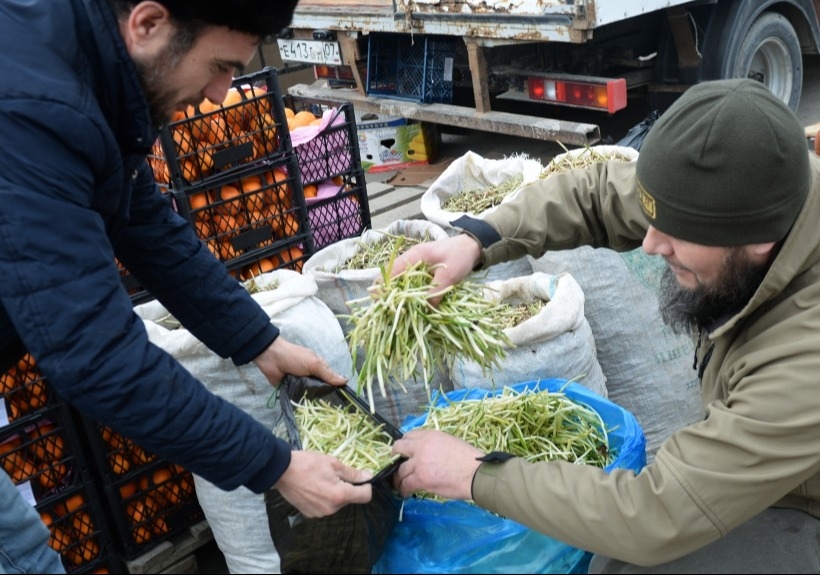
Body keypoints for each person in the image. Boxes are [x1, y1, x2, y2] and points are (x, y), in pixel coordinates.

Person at [389, 78, 820, 573]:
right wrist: (476, 241)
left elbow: (656, 515)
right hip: (783, 458)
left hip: (804, 502)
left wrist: (471, 474)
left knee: (635, 558)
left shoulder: (806, 358)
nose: (653, 244)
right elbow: (597, 191)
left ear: (759, 240)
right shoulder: (763, 187)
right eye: (656, 220)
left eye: (677, 234)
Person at [0, 1, 373, 573]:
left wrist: (256, 340)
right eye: (220, 66)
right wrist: (274, 467)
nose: (223, 93)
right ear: (149, 25)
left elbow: (139, 216)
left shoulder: (93, 57)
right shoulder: (31, 111)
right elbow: (96, 354)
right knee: (23, 556)